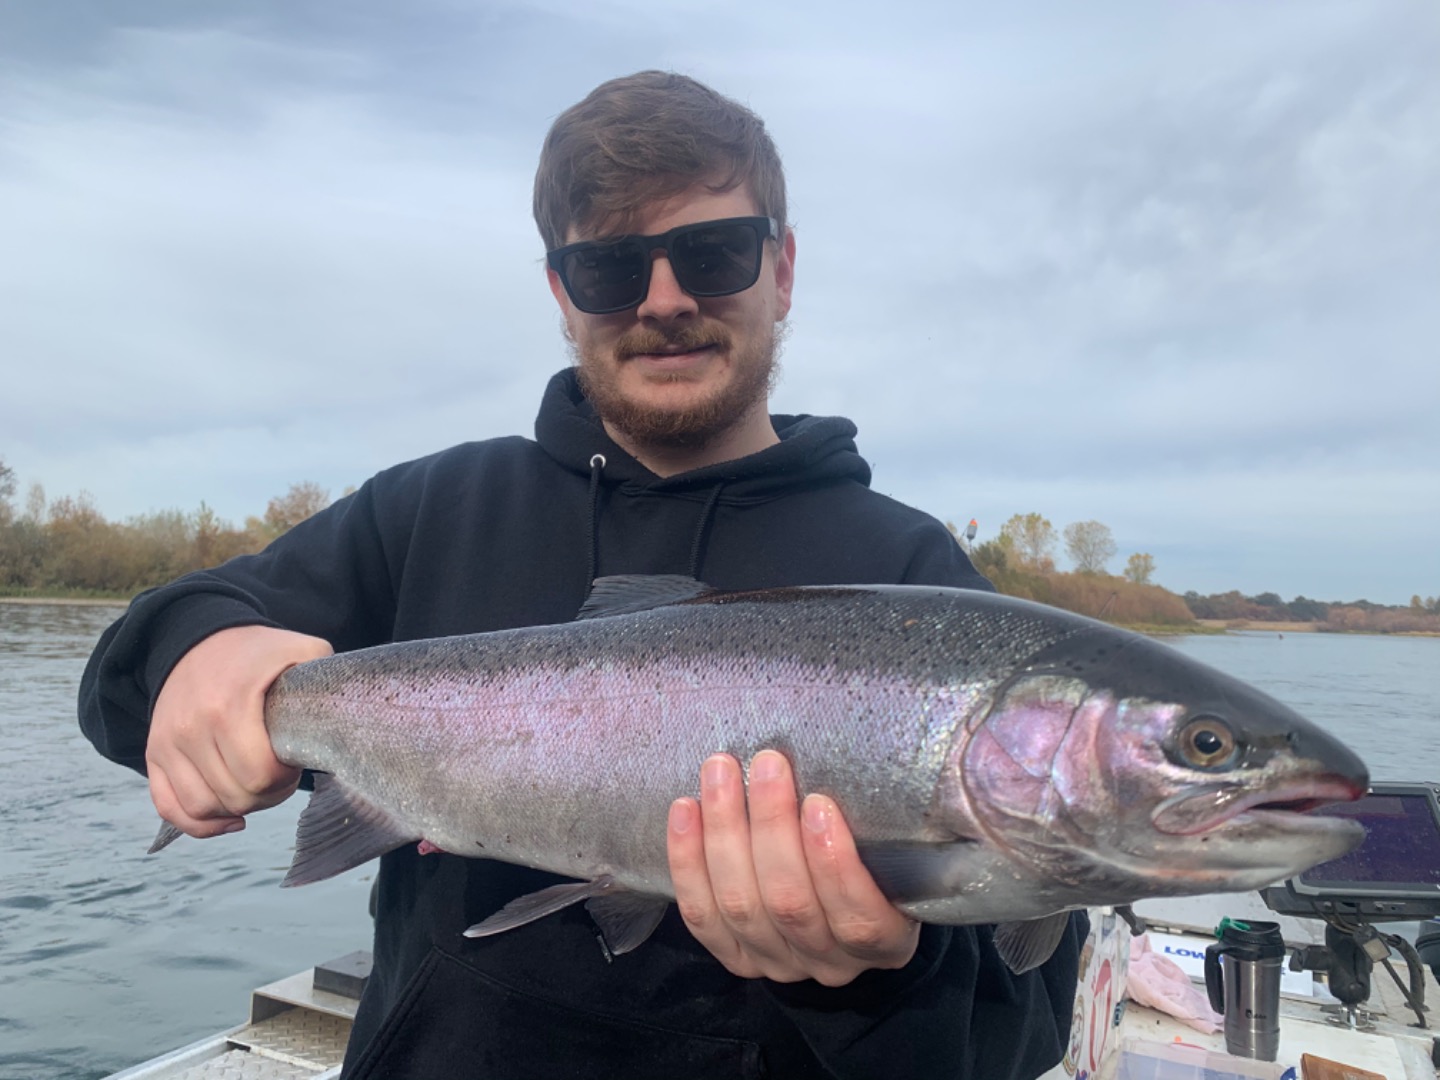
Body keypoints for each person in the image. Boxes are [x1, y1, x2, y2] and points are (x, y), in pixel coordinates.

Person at [79, 70, 1084, 1079]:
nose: (666, 299)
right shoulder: (432, 510)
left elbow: (1023, 1035)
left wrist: (877, 986)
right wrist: (197, 650)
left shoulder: (917, 583)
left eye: (714, 252)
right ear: (563, 291)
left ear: (781, 270)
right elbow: (131, 684)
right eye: (609, 268)